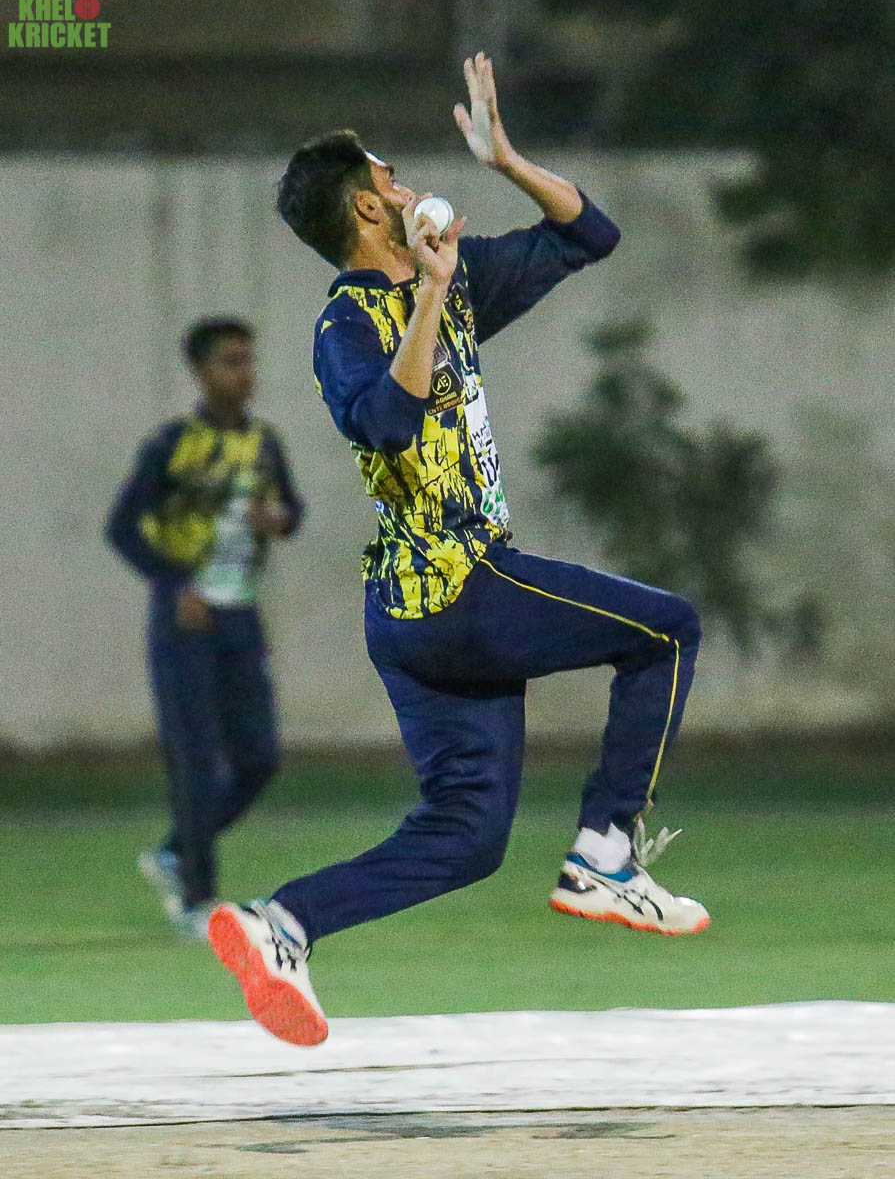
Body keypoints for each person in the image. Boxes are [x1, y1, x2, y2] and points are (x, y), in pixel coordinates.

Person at [208, 53, 707, 1045]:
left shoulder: (458, 279)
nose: (406, 188)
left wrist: (508, 162)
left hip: (417, 616)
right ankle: (605, 854)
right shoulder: (347, 320)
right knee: (666, 631)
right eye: (388, 179)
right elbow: (386, 425)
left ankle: (282, 924)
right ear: (366, 209)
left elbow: (589, 233)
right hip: (456, 586)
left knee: (468, 835)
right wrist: (431, 292)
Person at [106, 317, 304, 939]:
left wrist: (277, 518)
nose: (244, 373)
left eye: (249, 360)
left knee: (259, 758)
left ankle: (174, 853)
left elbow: (292, 512)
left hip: (241, 613)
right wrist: (174, 584)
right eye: (229, 361)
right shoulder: (174, 444)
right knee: (194, 757)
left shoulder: (265, 442)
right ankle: (198, 900)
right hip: (185, 620)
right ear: (199, 371)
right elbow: (121, 526)